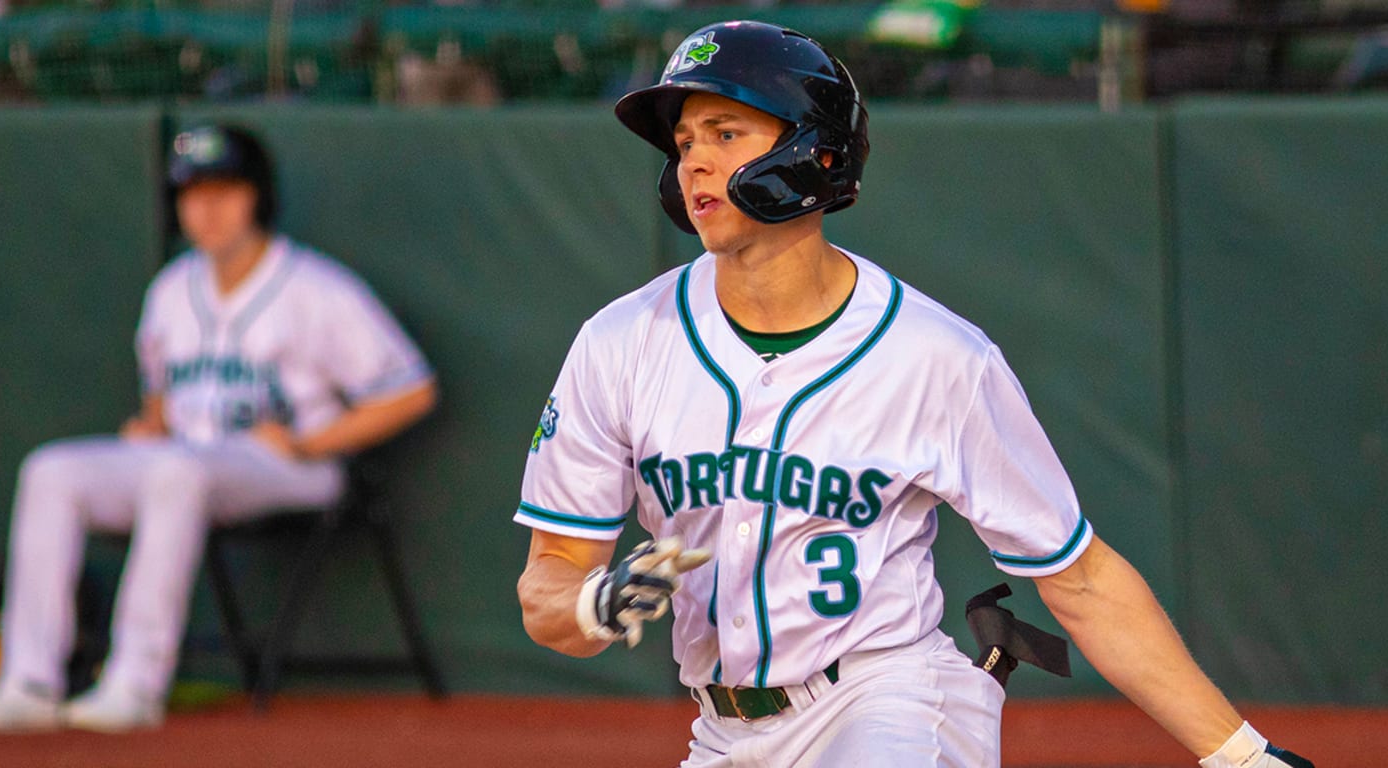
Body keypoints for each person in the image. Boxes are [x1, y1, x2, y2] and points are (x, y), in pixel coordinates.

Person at [515, 20, 1313, 768]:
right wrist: (591, 603)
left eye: (726, 135)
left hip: (886, 701)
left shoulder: (936, 356)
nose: (693, 162)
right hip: (721, 733)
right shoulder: (619, 343)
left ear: (818, 154)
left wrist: (1238, 753)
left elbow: (1078, 575)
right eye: (685, 142)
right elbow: (548, 583)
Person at [0, 125, 437, 733]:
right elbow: (163, 401)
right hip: (188, 462)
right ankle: (28, 681)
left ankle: (135, 684)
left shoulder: (316, 287)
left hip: (295, 468)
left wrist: (312, 443)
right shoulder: (171, 291)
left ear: (257, 196)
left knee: (178, 471)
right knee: (52, 469)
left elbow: (412, 388)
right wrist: (151, 426)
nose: (207, 209)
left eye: (224, 189)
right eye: (193, 193)